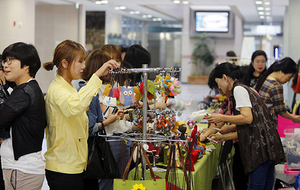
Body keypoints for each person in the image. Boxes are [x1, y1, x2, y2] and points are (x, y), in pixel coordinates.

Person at [43, 40, 120, 190]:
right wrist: (96, 75)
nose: (83, 66)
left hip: (74, 165)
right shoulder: (57, 89)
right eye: (80, 61)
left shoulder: (69, 87)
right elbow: (75, 106)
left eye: (84, 61)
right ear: (64, 63)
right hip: (63, 167)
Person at [206, 62, 285, 190]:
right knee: (265, 186)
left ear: (225, 78)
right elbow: (252, 124)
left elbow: (247, 118)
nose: (218, 89)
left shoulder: (238, 90)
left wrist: (222, 117)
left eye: (218, 83)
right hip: (269, 146)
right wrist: (226, 136)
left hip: (260, 149)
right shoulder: (243, 89)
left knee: (256, 186)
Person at [79, 48, 131, 190]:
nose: (113, 69)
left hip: (120, 137)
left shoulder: (111, 87)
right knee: (106, 181)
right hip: (106, 140)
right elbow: (93, 125)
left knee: (120, 180)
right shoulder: (90, 89)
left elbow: (119, 111)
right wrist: (110, 120)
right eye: (109, 66)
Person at [0, 42, 46, 190]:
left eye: (10, 60)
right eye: (5, 61)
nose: (5, 65)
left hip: (22, 170)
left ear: (26, 65)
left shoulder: (24, 92)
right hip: (22, 169)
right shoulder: (29, 88)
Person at [255, 57, 300, 124]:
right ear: (281, 72)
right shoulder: (276, 85)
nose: (288, 80)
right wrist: (294, 118)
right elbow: (281, 110)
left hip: (261, 122)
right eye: (289, 77)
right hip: (269, 125)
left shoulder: (265, 79)